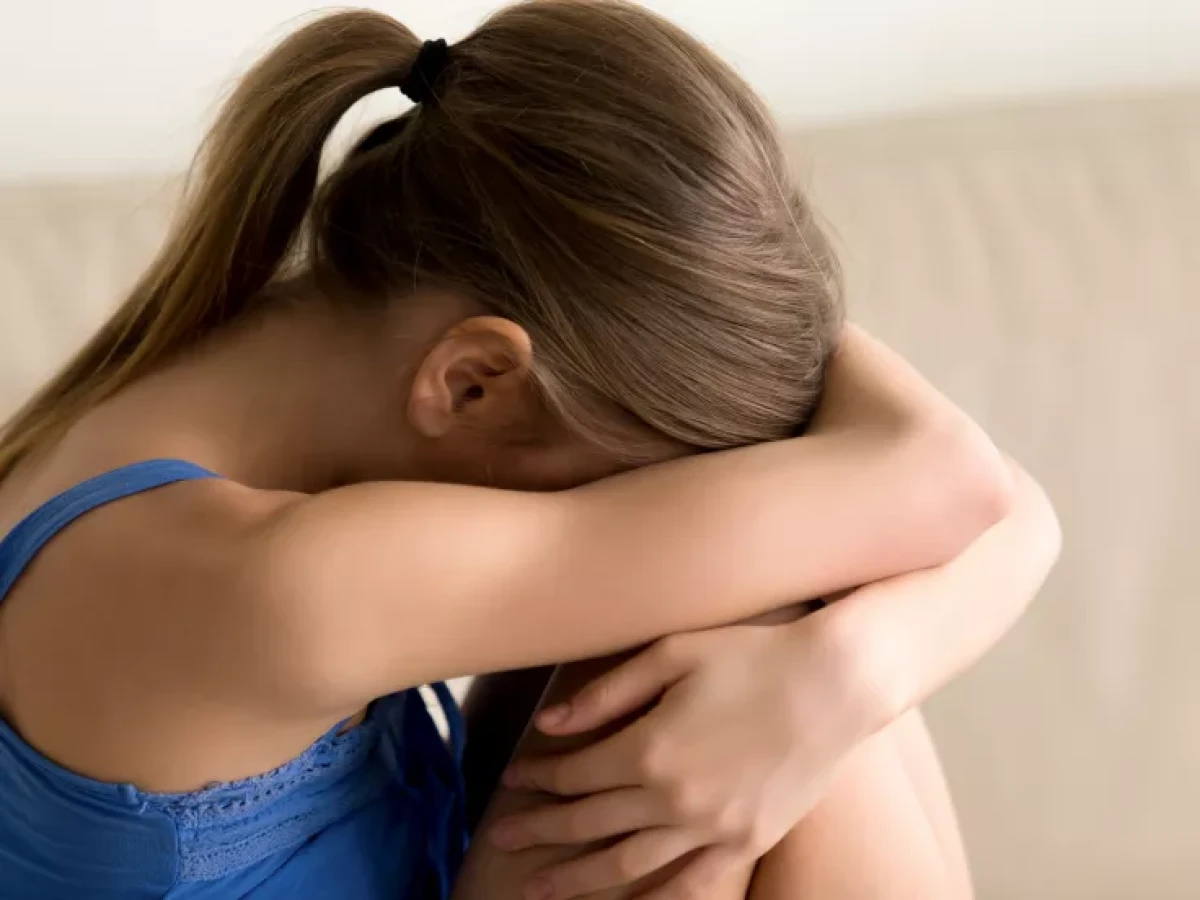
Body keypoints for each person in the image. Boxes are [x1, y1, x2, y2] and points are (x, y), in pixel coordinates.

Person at [0, 2, 1060, 899]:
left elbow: (991, 501)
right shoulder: (281, 583)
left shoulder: (191, 397)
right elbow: (953, 481)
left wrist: (851, 670)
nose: (651, 507)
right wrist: (833, 675)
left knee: (773, 630)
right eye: (627, 485)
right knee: (749, 616)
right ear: (471, 382)